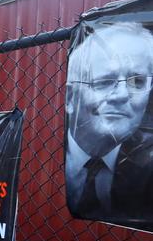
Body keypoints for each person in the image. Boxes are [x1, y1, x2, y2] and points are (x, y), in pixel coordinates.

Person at [65, 21, 153, 229]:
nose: (122, 95)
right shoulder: (36, 151)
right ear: (70, 98)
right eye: (104, 81)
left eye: (137, 82)